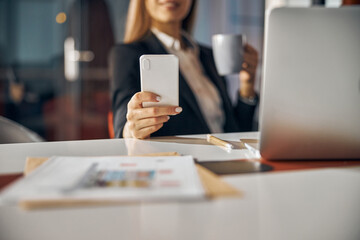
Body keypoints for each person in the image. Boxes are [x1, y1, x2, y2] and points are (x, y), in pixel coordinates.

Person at [110, 0, 259, 139]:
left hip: (227, 161)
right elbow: (122, 125)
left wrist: (247, 84)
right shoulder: (127, 54)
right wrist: (131, 128)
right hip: (179, 162)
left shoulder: (208, 56)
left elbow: (236, 131)